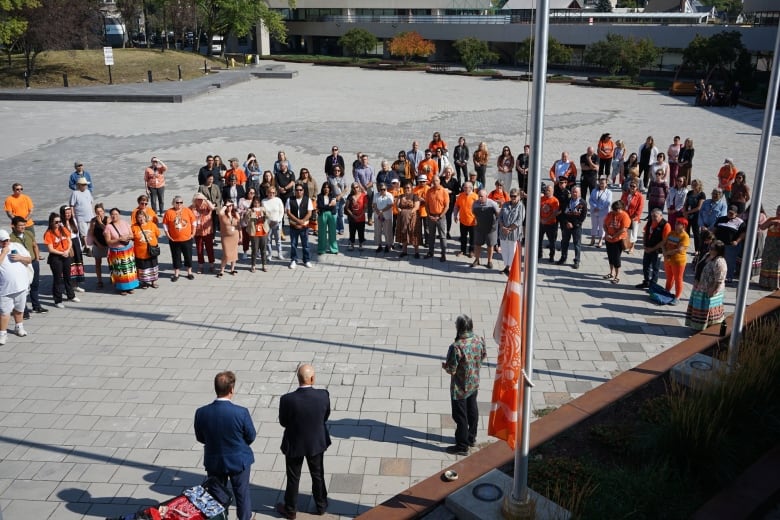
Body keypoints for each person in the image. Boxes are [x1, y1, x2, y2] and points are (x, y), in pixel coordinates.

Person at [194, 371, 256, 520]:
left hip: (214, 461)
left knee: (216, 497)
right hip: (239, 460)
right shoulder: (241, 412)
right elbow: (251, 436)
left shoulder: (201, 412)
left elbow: (200, 437)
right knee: (242, 496)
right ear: (231, 390)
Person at [277, 364, 331, 519]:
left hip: (294, 443)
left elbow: (283, 422)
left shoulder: (287, 400)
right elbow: (325, 416)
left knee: (293, 476)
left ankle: (291, 509)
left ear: (298, 379)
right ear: (312, 378)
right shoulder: (323, 395)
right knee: (318, 473)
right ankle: (321, 505)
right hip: (316, 442)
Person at [442, 315, 487, 456]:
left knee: (460, 416)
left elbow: (451, 370)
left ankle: (462, 446)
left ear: (459, 327)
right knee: (472, 409)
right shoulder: (479, 340)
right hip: (474, 382)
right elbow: (483, 355)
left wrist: (445, 367)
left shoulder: (456, 347)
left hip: (459, 387)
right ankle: (471, 437)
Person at [685, 240, 727, 330]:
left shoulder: (720, 262)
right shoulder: (707, 255)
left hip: (710, 289)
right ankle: (696, 325)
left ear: (718, 251)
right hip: (700, 287)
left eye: (712, 248)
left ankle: (706, 326)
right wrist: (696, 280)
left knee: (707, 309)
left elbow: (719, 279)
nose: (710, 249)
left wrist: (713, 290)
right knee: (698, 306)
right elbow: (699, 267)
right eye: (710, 247)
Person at [0, 227, 32, 344]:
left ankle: (19, 327)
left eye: (7, 240)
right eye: (3, 241)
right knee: (4, 313)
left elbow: (29, 260)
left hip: (21, 286)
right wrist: (3, 253)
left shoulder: (17, 246)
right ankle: (2, 334)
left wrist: (20, 258)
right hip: (5, 290)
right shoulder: (1, 250)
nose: (6, 242)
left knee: (19, 309)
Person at [9, 216, 45, 316]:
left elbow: (35, 245)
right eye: (20, 225)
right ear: (13, 226)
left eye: (24, 225)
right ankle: (23, 310)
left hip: (33, 262)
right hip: (22, 265)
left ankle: (36, 306)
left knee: (35, 284)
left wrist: (37, 259)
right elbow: (13, 254)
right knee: (23, 288)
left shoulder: (28, 233)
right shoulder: (11, 239)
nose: (23, 227)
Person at [43, 213, 77, 309]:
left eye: (60, 222)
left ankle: (71, 295)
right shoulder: (48, 233)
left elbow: (70, 241)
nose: (58, 224)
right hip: (56, 257)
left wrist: (67, 250)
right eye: (56, 222)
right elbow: (50, 249)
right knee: (57, 279)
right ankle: (58, 300)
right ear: (51, 222)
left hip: (66, 255)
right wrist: (62, 253)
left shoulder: (64, 230)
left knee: (68, 276)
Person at [104, 208, 139, 295]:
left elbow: (132, 235)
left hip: (127, 250)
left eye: (116, 214)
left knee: (129, 270)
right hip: (117, 252)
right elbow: (108, 242)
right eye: (112, 214)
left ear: (119, 214)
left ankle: (130, 287)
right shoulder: (108, 227)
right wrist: (119, 239)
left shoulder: (124, 223)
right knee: (120, 271)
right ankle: (122, 288)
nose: (114, 216)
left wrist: (126, 237)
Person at [162, 196, 196, 282]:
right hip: (174, 240)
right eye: (177, 202)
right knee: (176, 256)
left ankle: (189, 272)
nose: (179, 204)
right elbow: (165, 225)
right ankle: (176, 274)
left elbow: (193, 221)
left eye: (181, 202)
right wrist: (167, 235)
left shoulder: (187, 210)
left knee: (188, 256)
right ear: (173, 203)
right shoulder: (169, 212)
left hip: (187, 239)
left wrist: (193, 233)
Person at [636, 209, 671, 289]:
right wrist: (644, 245)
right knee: (645, 266)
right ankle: (646, 281)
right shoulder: (650, 222)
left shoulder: (665, 225)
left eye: (655, 216)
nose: (653, 218)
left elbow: (664, 241)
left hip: (657, 250)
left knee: (655, 268)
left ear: (661, 216)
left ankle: (653, 285)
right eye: (652, 216)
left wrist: (652, 249)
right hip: (648, 248)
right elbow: (645, 233)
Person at [714, 205, 746, 283]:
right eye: (729, 212)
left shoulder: (740, 222)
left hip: (730, 246)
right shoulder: (721, 219)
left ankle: (729, 277)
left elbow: (743, 234)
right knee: (717, 260)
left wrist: (737, 241)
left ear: (736, 213)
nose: (730, 214)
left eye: (732, 213)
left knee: (730, 262)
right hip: (719, 244)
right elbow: (715, 229)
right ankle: (716, 275)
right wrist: (713, 239)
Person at [557, 186, 587, 269]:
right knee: (564, 242)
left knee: (577, 244)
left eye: (576, 192)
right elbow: (563, 213)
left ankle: (577, 260)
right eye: (573, 191)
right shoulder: (567, 201)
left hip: (576, 227)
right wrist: (567, 222)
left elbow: (583, 217)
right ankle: (563, 257)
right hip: (566, 226)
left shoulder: (583, 203)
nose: (574, 193)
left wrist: (574, 224)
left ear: (579, 193)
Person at [603, 200, 631, 284]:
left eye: (616, 210)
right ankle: (611, 273)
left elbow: (624, 229)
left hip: (618, 240)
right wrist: (607, 234)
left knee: (616, 258)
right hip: (609, 239)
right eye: (613, 209)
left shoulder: (624, 216)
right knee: (610, 257)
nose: (614, 212)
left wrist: (613, 236)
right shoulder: (610, 214)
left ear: (620, 208)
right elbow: (604, 224)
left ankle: (617, 276)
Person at [662, 217, 690, 305]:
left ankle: (677, 297)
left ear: (684, 226)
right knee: (669, 278)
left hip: (678, 261)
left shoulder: (685, 236)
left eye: (678, 224)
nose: (676, 225)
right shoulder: (671, 233)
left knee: (678, 279)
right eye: (676, 223)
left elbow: (680, 249)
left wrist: (667, 253)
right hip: (668, 259)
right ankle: (666, 292)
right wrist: (664, 252)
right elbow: (663, 243)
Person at [498, 188, 525, 275]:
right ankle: (507, 266)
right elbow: (500, 217)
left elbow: (519, 220)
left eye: (514, 196)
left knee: (512, 251)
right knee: (504, 250)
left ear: (519, 197)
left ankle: (510, 268)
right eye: (511, 196)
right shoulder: (505, 204)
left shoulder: (521, 206)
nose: (513, 197)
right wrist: (503, 227)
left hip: (514, 233)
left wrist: (509, 229)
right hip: (503, 232)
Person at [131, 211, 161, 289]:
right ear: (136, 218)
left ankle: (153, 282)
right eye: (139, 217)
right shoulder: (134, 227)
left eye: (142, 217)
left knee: (153, 266)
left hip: (151, 251)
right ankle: (144, 282)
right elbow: (132, 238)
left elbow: (157, 234)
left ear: (145, 217)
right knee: (142, 268)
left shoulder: (152, 225)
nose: (141, 219)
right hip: (140, 253)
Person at [286, 183, 313, 269]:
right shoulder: (290, 199)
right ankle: (293, 260)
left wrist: (302, 221)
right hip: (293, 225)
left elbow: (309, 213)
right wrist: (297, 221)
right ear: (295, 191)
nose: (298, 191)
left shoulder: (307, 200)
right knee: (293, 244)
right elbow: (288, 212)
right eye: (297, 190)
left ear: (303, 191)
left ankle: (306, 260)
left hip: (304, 226)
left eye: (300, 190)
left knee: (305, 244)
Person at [471, 189, 500, 269]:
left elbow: (498, 214)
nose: (480, 198)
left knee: (490, 245)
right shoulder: (475, 203)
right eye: (479, 196)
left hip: (490, 229)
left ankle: (489, 261)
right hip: (479, 228)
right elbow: (473, 212)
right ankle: (476, 260)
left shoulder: (492, 204)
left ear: (486, 196)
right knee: (477, 244)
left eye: (481, 196)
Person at [60, 205, 85, 293]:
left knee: (77, 263)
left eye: (69, 213)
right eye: (66, 213)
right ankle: (68, 286)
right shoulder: (60, 224)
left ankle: (75, 285)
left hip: (75, 243)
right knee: (69, 265)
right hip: (67, 244)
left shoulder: (73, 221)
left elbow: (77, 235)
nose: (68, 215)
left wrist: (80, 247)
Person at [425, 175, 449, 262]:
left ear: (439, 181)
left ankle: (443, 253)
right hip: (431, 216)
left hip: (440, 217)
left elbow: (447, 206)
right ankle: (431, 252)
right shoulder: (429, 191)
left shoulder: (443, 191)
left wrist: (440, 216)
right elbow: (426, 205)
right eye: (433, 181)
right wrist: (429, 214)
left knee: (442, 236)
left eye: (436, 181)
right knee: (431, 235)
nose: (435, 182)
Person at [191, 193, 216, 274]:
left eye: (201, 199)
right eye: (198, 199)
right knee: (199, 249)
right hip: (198, 232)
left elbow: (212, 208)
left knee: (210, 249)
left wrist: (206, 199)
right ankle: (200, 266)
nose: (200, 201)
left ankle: (212, 265)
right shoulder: (192, 207)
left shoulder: (207, 205)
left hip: (208, 231)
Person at [395, 181, 422, 259]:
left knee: (414, 233)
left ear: (411, 188)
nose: (407, 189)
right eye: (405, 188)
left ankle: (416, 252)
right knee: (404, 233)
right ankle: (404, 251)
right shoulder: (400, 196)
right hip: (402, 218)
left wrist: (409, 213)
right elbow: (397, 206)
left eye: (408, 188)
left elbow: (416, 207)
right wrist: (400, 210)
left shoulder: (415, 196)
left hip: (413, 217)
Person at [87, 203, 109, 289]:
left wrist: (100, 222)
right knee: (97, 263)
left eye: (100, 211)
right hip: (98, 244)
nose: (99, 213)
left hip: (108, 244)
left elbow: (108, 230)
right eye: (97, 212)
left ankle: (112, 276)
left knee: (111, 262)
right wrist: (98, 244)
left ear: (103, 211)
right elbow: (92, 234)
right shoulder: (93, 221)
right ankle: (99, 280)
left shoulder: (108, 219)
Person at [453, 182, 477, 258]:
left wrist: (477, 219)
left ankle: (471, 251)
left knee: (472, 238)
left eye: (467, 187)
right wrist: (455, 215)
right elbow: (456, 206)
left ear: (471, 188)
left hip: (472, 222)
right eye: (464, 187)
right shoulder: (460, 196)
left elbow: (479, 209)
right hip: (463, 221)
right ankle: (462, 250)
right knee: (463, 237)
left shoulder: (475, 197)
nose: (466, 189)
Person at [759, 204, 780, 290]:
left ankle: (774, 285)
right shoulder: (771, 219)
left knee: (776, 264)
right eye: (777, 210)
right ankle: (764, 283)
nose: (778, 212)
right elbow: (762, 227)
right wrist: (771, 222)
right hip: (769, 245)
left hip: (778, 245)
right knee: (766, 262)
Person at [621, 181, 645, 255]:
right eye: (631, 186)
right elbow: (621, 203)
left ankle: (632, 247)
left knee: (633, 233)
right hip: (625, 216)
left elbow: (640, 208)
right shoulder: (625, 194)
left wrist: (635, 216)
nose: (632, 188)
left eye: (634, 186)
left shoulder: (639, 196)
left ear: (637, 188)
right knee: (626, 232)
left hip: (633, 217)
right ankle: (626, 245)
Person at [683, 179, 706, 255]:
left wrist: (687, 212)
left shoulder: (702, 194)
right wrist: (684, 212)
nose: (693, 186)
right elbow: (685, 203)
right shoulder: (689, 192)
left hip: (696, 216)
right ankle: (684, 246)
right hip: (687, 214)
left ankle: (697, 250)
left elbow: (699, 207)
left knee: (696, 233)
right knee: (686, 232)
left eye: (695, 185)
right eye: (692, 184)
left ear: (699, 185)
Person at [217, 202, 241, 277]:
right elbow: (220, 212)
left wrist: (241, 236)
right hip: (226, 237)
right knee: (226, 254)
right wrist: (225, 206)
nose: (229, 207)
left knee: (234, 253)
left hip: (235, 236)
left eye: (231, 205)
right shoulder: (223, 215)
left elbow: (239, 226)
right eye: (228, 206)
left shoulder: (235, 214)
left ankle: (232, 269)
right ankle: (222, 270)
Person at [246, 197, 269, 272]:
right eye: (255, 203)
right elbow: (246, 220)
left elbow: (269, 216)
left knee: (264, 250)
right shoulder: (250, 210)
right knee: (254, 250)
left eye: (258, 203)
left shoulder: (263, 209)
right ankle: (253, 265)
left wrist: (264, 211)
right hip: (254, 233)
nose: (256, 204)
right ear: (253, 203)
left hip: (263, 232)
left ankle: (264, 265)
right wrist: (250, 212)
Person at [262, 187, 285, 259]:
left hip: (277, 222)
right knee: (268, 240)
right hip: (268, 223)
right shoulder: (263, 201)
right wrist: (268, 221)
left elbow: (282, 211)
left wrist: (277, 220)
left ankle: (279, 253)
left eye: (273, 192)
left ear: (275, 193)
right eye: (270, 192)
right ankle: (270, 254)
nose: (271, 194)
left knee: (278, 240)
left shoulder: (278, 200)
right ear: (267, 193)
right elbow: (263, 213)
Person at [589, 177, 612, 247]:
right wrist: (595, 206)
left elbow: (608, 202)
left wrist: (599, 208)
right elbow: (590, 200)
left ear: (606, 184)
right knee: (594, 226)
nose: (601, 185)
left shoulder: (609, 192)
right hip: (594, 211)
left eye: (603, 183)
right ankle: (592, 239)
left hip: (603, 212)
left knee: (602, 226)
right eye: (600, 183)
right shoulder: (594, 190)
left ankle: (600, 241)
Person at [539, 183, 560, 261]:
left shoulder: (555, 201)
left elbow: (555, 213)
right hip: (541, 223)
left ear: (552, 191)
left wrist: (546, 220)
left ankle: (551, 256)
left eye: (549, 190)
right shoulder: (541, 199)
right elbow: (538, 209)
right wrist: (540, 219)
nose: (547, 192)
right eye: (546, 190)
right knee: (539, 240)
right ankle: (539, 254)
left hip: (551, 224)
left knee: (552, 241)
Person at [316, 184, 339, 255]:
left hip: (331, 214)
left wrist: (326, 207)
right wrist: (329, 205)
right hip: (322, 214)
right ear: (322, 188)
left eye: (328, 187)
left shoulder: (332, 196)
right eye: (325, 187)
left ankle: (334, 249)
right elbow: (320, 206)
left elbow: (333, 207)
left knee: (332, 232)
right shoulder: (319, 196)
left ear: (330, 189)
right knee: (322, 232)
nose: (326, 189)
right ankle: (321, 249)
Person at [345, 182, 367, 252]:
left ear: (359, 187)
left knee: (361, 231)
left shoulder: (364, 196)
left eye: (357, 187)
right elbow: (347, 208)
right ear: (352, 189)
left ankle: (361, 244)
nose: (355, 189)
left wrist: (361, 215)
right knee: (352, 231)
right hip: (352, 218)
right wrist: (353, 215)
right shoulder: (350, 196)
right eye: (354, 187)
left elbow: (365, 207)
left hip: (361, 217)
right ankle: (352, 244)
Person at [353, 154, 375, 224]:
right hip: (361, 189)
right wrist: (362, 188)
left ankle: (370, 218)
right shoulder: (357, 169)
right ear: (361, 161)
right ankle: (361, 218)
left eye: (365, 159)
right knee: (361, 204)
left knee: (370, 204)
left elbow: (373, 180)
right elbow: (357, 180)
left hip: (369, 188)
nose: (364, 161)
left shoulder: (371, 168)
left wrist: (366, 187)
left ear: (367, 160)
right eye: (363, 160)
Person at [373, 183, 394, 255]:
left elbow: (390, 205)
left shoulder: (389, 195)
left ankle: (388, 245)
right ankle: (379, 245)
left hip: (386, 217)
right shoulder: (376, 195)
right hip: (377, 216)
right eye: (381, 189)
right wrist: (377, 211)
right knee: (377, 231)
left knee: (387, 232)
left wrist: (382, 211)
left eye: (384, 189)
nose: (382, 191)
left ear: (386, 189)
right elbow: (374, 204)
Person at [440, 166, 460, 239]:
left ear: (451, 173)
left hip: (451, 201)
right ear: (444, 172)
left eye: (449, 172)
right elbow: (437, 186)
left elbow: (458, 191)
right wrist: (442, 190)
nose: (448, 173)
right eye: (446, 172)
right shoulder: (441, 179)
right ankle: (441, 232)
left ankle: (447, 232)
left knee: (448, 217)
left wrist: (450, 191)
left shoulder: (454, 181)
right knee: (441, 216)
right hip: (441, 201)